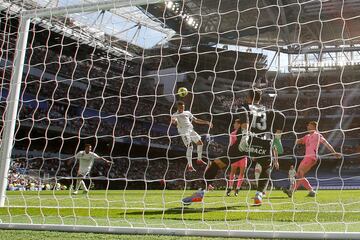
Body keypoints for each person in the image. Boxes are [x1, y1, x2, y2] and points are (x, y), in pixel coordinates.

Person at [187, 90, 285, 205]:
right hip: (263, 143)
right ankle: (259, 195)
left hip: (245, 142)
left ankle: (201, 192)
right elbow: (281, 116)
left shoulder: (244, 107)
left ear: (248, 98)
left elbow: (244, 115)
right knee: (266, 166)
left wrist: (245, 135)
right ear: (260, 99)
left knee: (217, 163)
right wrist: (278, 138)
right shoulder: (268, 111)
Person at [283, 121, 341, 197]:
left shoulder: (318, 135)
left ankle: (292, 191)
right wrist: (295, 139)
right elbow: (299, 141)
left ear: (314, 127)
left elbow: (326, 143)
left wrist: (334, 152)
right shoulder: (307, 136)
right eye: (307, 125)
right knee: (299, 174)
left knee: (300, 173)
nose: (307, 127)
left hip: (312, 157)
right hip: (306, 157)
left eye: (309, 125)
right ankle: (311, 191)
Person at [171, 101, 213, 172]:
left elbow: (196, 120)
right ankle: (190, 165)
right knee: (190, 146)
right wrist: (174, 121)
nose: (181, 109)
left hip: (191, 130)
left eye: (183, 107)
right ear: (177, 107)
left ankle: (199, 159)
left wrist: (207, 122)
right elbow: (174, 121)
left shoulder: (187, 112)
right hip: (183, 131)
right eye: (180, 107)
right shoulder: (175, 114)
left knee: (200, 143)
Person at [226, 119, 248, 197]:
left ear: (239, 124)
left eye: (235, 123)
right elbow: (230, 145)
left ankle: (237, 189)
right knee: (232, 172)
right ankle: (230, 188)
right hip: (235, 156)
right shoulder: (232, 134)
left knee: (242, 173)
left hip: (243, 156)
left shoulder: (245, 133)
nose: (233, 125)